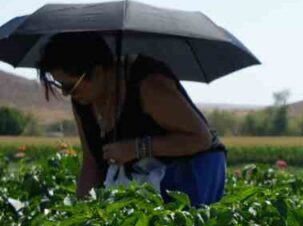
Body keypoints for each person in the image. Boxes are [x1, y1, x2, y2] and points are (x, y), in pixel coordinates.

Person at [36, 32, 227, 205]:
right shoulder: (83, 99)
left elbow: (201, 139)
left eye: (70, 86)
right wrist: (79, 216)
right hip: (143, 179)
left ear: (99, 71)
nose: (65, 93)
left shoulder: (150, 86)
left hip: (191, 171)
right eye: (59, 85)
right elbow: (91, 163)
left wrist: (136, 148)